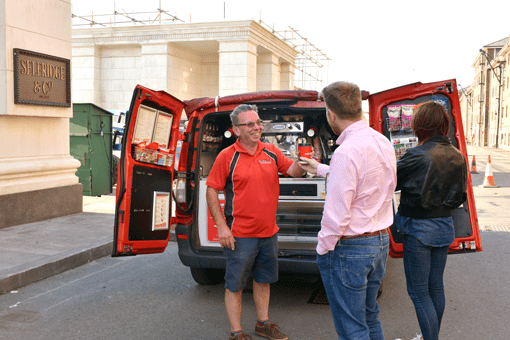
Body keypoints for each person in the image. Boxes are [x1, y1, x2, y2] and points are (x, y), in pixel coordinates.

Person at [299, 81, 397, 340]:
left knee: (352, 328)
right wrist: (320, 168)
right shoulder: (381, 141)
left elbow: (337, 214)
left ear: (331, 114)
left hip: (350, 248)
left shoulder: (346, 152)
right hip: (379, 240)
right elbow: (367, 181)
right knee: (368, 316)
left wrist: (323, 247)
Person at [206, 104, 306, 340]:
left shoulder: (271, 151)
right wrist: (222, 226)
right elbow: (211, 191)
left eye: (258, 122)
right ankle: (236, 332)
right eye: (250, 124)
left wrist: (305, 163)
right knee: (235, 285)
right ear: (237, 130)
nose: (257, 127)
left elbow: (292, 171)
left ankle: (263, 324)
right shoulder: (227, 156)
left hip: (268, 232)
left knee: (264, 280)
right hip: (240, 235)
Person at [394, 101, 467, 340]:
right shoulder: (457, 155)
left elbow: (390, 183)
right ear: (444, 125)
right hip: (444, 227)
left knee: (418, 292)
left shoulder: (416, 155)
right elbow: (460, 197)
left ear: (419, 126)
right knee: (435, 286)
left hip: (418, 229)